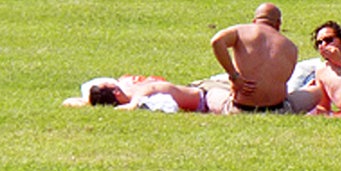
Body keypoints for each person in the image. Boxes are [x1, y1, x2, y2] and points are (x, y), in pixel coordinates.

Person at [209, 3, 303, 113]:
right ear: (278, 24)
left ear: (254, 21)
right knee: (314, 92)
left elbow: (217, 41)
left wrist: (234, 76)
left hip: (240, 108)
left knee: (211, 92)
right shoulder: (291, 46)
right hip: (278, 109)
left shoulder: (241, 31)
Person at [64, 74, 233, 114]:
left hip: (201, 84)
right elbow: (153, 87)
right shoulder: (142, 98)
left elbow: (69, 101)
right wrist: (132, 104)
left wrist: (87, 102)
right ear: (115, 92)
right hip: (208, 98)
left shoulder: (130, 92)